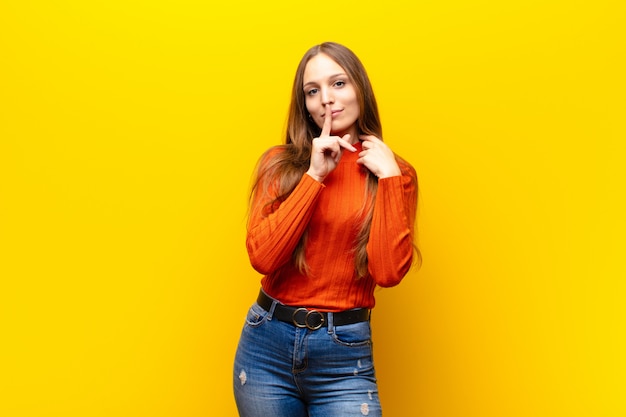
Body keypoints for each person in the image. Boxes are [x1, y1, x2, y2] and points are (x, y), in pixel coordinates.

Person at [233, 42, 420, 417]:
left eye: (338, 83)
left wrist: (388, 179)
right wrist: (314, 175)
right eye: (312, 91)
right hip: (266, 347)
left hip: (343, 355)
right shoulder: (280, 165)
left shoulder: (397, 174)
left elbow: (387, 271)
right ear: (304, 104)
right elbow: (263, 257)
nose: (326, 101)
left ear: (360, 91)